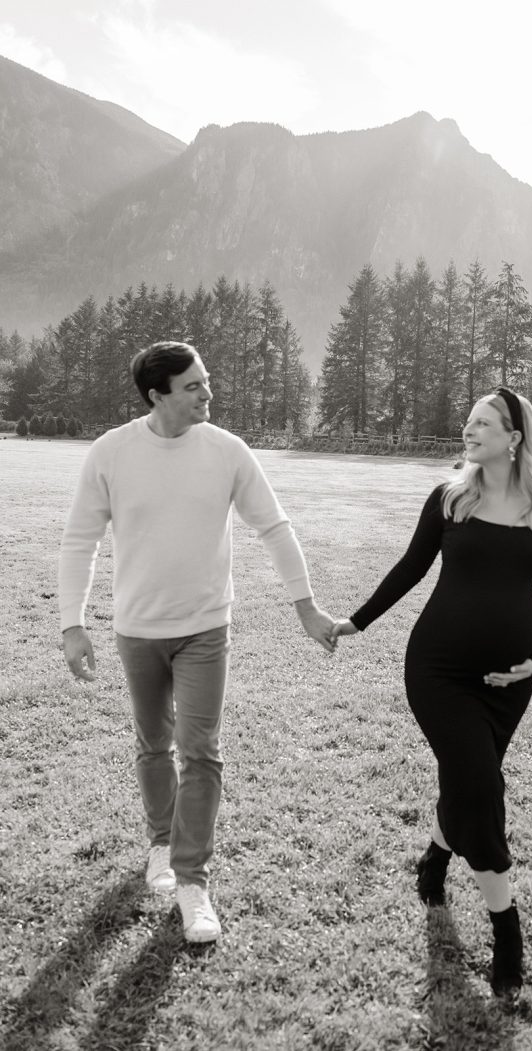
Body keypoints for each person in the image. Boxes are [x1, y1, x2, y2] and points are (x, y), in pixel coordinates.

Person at [59, 341, 336, 944]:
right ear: (157, 395)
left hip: (207, 626)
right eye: (193, 386)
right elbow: (80, 540)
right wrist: (71, 622)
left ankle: (193, 882)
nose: (207, 393)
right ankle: (161, 843)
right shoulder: (112, 452)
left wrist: (306, 605)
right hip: (137, 629)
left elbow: (274, 526)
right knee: (154, 744)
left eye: (206, 381)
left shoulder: (227, 451)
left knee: (201, 749)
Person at [332, 387, 532, 997]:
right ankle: (507, 932)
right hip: (437, 670)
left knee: (470, 782)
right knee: (482, 787)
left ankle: (436, 858)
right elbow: (411, 567)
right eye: (468, 422)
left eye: (484, 423)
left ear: (515, 437)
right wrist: (355, 621)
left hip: (506, 686)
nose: (469, 430)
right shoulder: (450, 500)